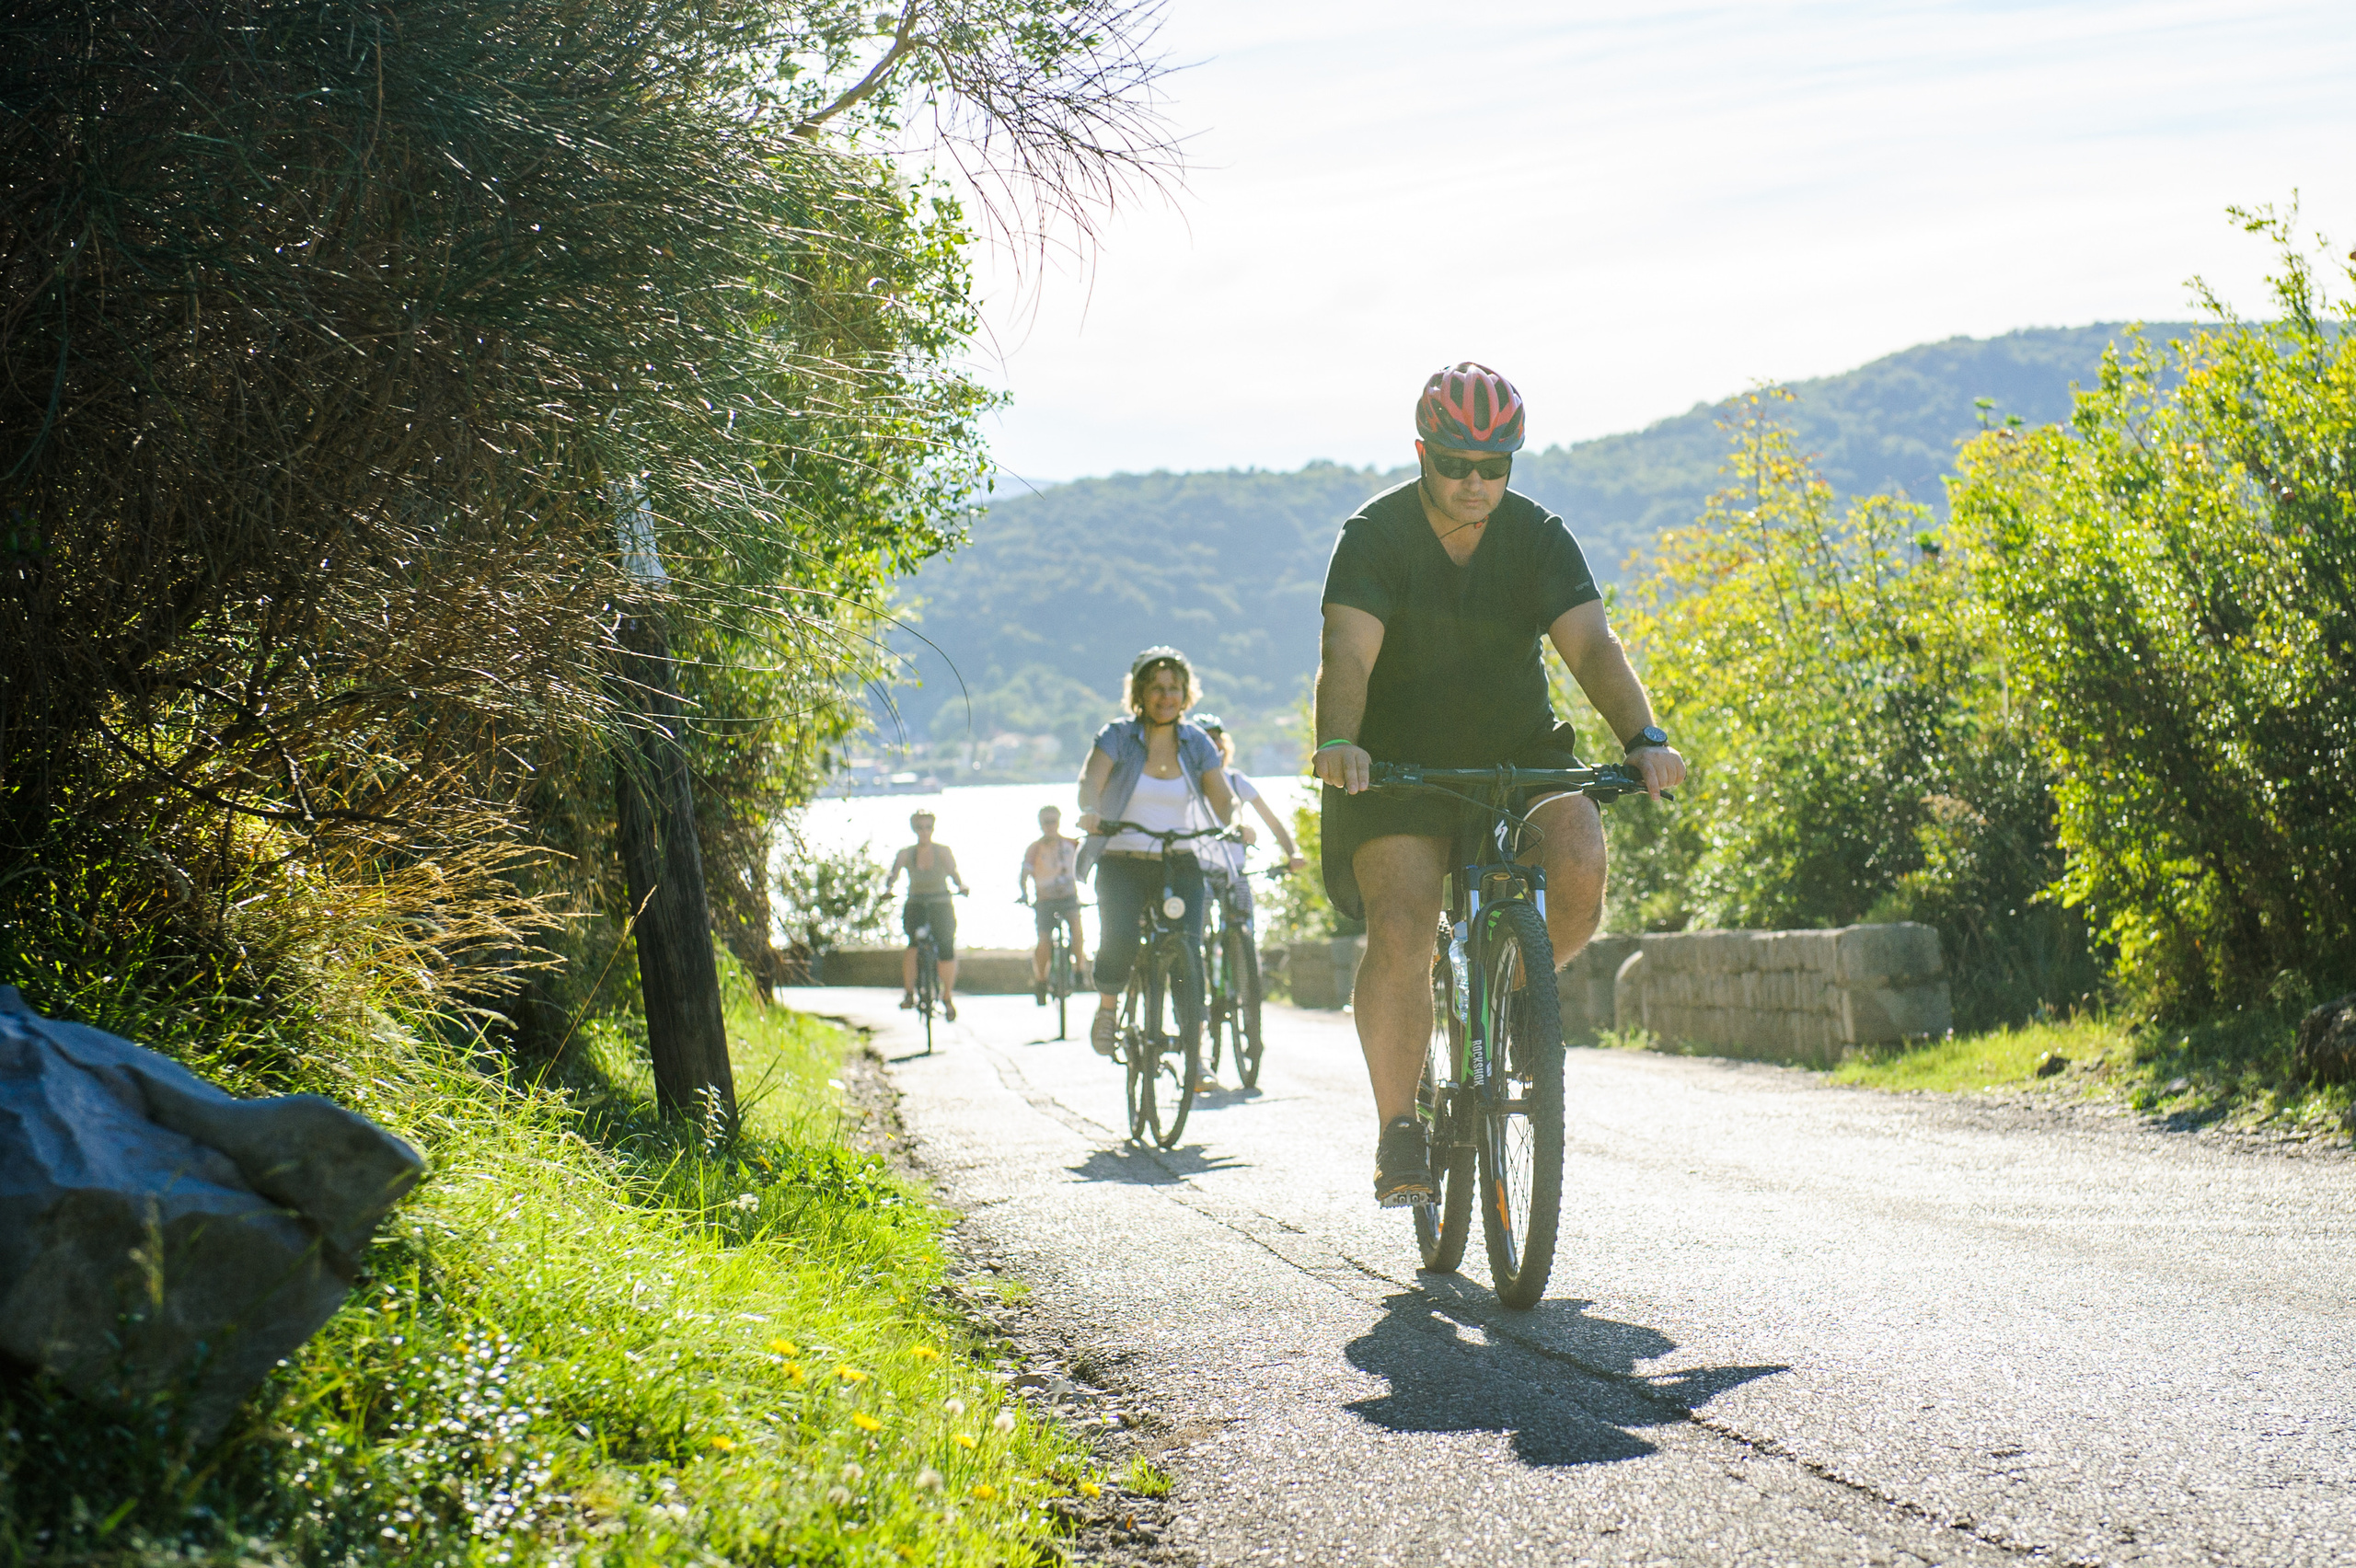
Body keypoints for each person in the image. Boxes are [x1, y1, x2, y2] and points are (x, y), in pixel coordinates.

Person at [1311, 363, 1685, 1207]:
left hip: (1518, 750)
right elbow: (1347, 653)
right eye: (1456, 465)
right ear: (1422, 454)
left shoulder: (1538, 536)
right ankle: (1400, 1128)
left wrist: (1644, 738)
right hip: (1398, 762)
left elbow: (1592, 646)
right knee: (1401, 924)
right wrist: (1339, 741)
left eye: (1495, 465)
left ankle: (1512, 996)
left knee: (1579, 859)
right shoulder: (1374, 536)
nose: (1475, 482)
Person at [1074, 647, 1238, 1059]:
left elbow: (1223, 798)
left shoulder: (1196, 743)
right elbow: (1090, 782)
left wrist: (1235, 823)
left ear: (1186, 695)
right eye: (1157, 688)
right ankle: (1108, 1008)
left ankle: (1195, 1055)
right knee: (1121, 938)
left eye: (1174, 688)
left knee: (1188, 953)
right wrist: (1091, 811)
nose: (1166, 697)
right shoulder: (1118, 736)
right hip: (1122, 860)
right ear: (1140, 694)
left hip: (1179, 861)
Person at [1191, 713, 1307, 931]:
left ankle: (1242, 949)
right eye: (1205, 738)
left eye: (1216, 738)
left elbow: (1273, 822)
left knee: (1243, 926)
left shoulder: (1237, 780)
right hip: (1197, 871)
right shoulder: (1187, 783)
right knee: (1195, 926)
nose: (1212, 744)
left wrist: (1293, 853)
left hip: (1235, 870)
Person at [884, 811, 968, 1020]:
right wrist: (888, 889)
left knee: (946, 947)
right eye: (920, 827)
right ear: (914, 829)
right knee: (913, 945)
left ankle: (947, 997)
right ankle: (909, 993)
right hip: (916, 903)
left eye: (928, 827)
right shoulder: (906, 854)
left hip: (941, 903)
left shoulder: (942, 851)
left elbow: (953, 873)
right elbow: (893, 874)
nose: (924, 831)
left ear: (933, 828)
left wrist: (961, 886)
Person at [1019, 804, 1088, 1003]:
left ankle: (1079, 970)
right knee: (1044, 939)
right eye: (1046, 822)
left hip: (1068, 897)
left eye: (1053, 821)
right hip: (1045, 900)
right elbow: (1024, 873)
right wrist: (1024, 894)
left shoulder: (1072, 844)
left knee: (1077, 929)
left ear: (1058, 822)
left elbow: (1086, 864)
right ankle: (1041, 980)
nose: (1050, 825)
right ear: (1040, 824)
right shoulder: (1034, 848)